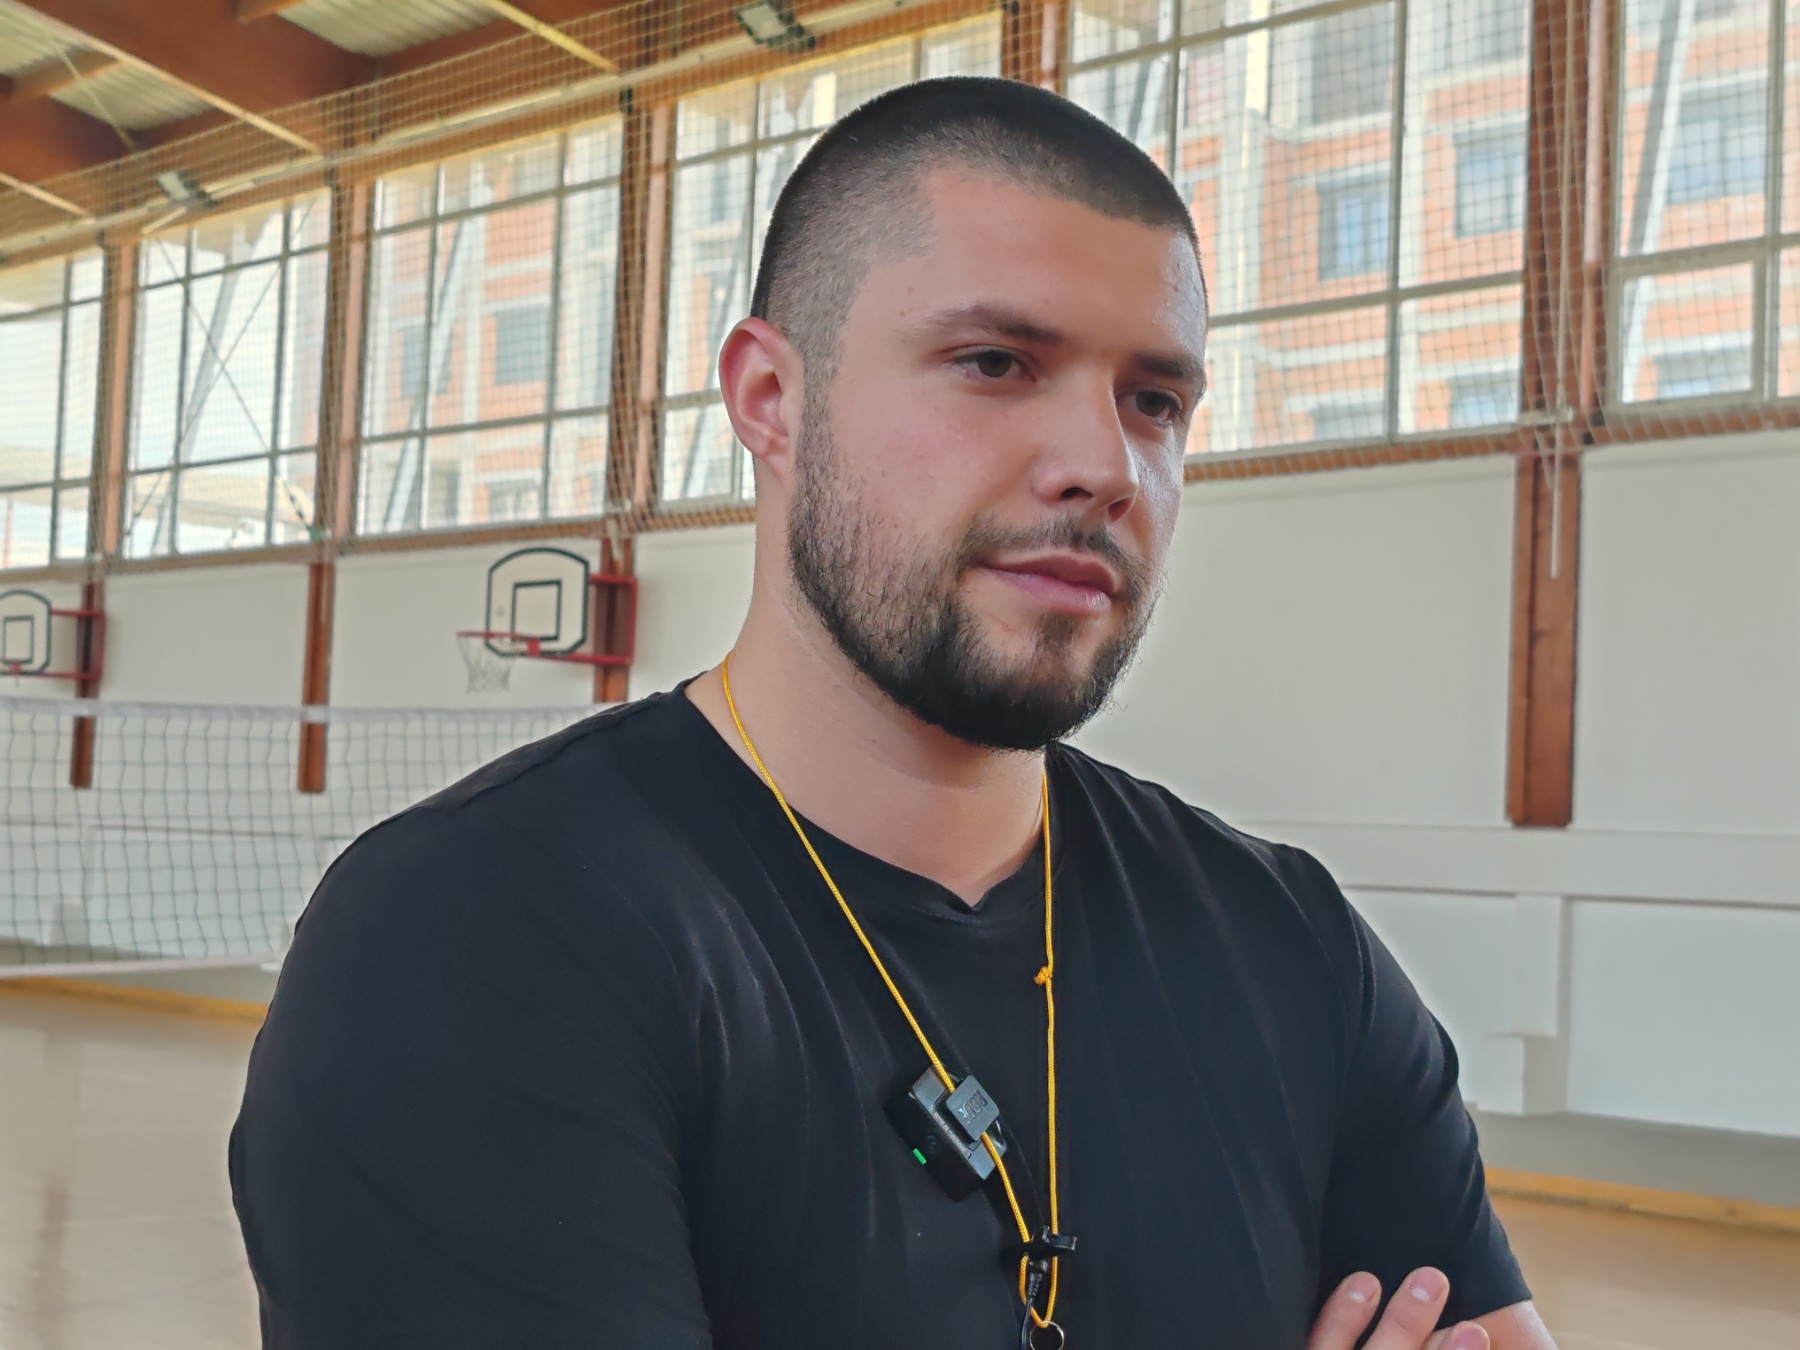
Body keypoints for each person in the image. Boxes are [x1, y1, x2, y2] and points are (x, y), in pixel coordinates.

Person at [231, 78, 1558, 1350]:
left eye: (1154, 400)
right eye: (995, 362)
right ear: (771, 399)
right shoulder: (475, 936)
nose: (1103, 464)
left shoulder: (1293, 948)